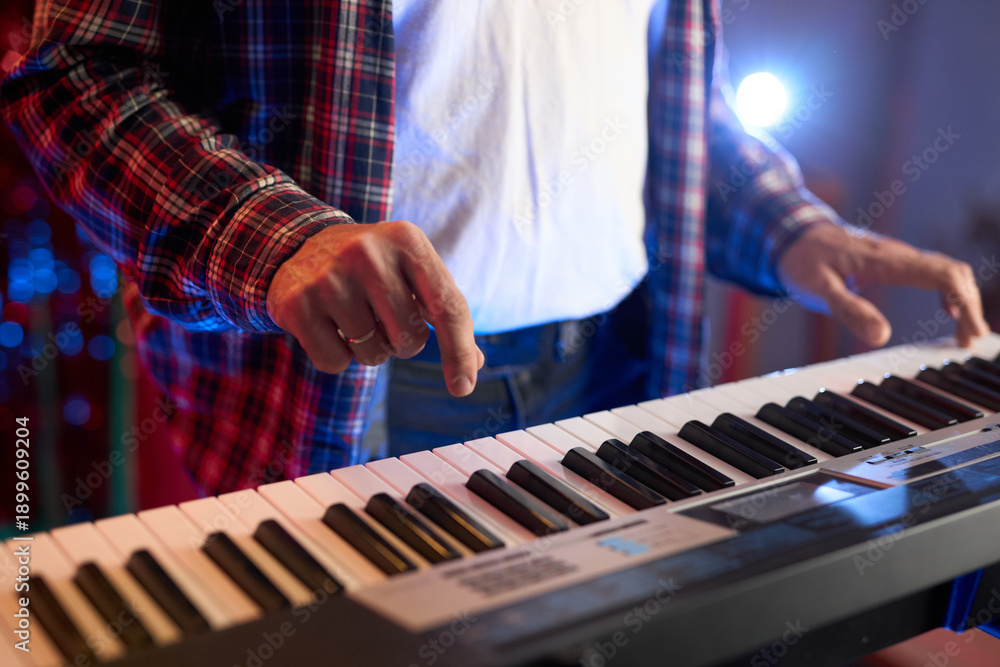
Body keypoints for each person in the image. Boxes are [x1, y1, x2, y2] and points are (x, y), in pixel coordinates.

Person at [2, 0, 987, 496]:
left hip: (622, 367)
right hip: (344, 390)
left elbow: (655, 92)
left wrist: (787, 225)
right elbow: (76, 69)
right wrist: (280, 239)